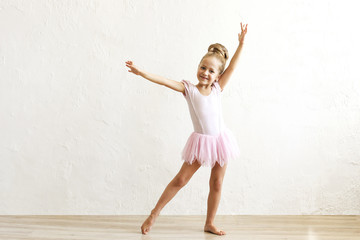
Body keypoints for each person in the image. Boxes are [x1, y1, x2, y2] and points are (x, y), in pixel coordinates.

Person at [125, 22, 248, 236]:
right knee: (181, 179)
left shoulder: (218, 89)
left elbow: (234, 66)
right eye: (203, 67)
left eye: (211, 71)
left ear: (218, 75)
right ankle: (153, 214)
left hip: (221, 141)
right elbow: (163, 81)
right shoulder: (188, 89)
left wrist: (241, 43)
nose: (205, 73)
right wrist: (141, 72)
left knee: (217, 183)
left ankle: (209, 223)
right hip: (202, 143)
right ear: (197, 67)